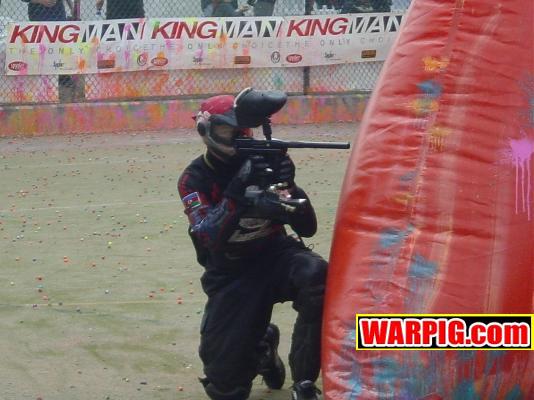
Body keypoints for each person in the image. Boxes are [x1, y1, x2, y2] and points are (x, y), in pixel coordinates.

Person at [178, 89, 327, 400]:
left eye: (242, 130)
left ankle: (304, 383)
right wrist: (238, 193)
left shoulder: (263, 160)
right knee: (226, 390)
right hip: (231, 271)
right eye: (226, 130)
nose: (236, 137)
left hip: (275, 256)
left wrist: (290, 186)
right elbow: (208, 237)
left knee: (316, 276)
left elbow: (307, 228)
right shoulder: (194, 178)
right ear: (205, 130)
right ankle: (262, 348)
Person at [21, 0, 76, 102]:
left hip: (58, 12)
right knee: (42, 45)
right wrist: (41, 1)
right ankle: (44, 75)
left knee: (60, 43)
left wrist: (72, 7)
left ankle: (63, 75)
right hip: (38, 12)